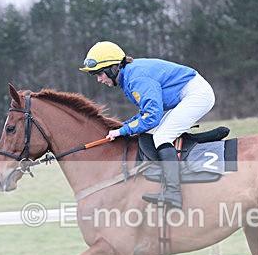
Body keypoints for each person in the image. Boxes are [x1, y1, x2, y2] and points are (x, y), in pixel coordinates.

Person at [79, 41, 215, 209]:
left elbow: (152, 117)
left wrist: (123, 130)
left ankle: (174, 193)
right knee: (155, 134)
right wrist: (123, 128)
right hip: (189, 94)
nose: (99, 79)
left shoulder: (136, 78)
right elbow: (146, 113)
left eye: (99, 74)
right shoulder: (129, 77)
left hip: (197, 94)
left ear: (112, 68)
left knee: (162, 136)